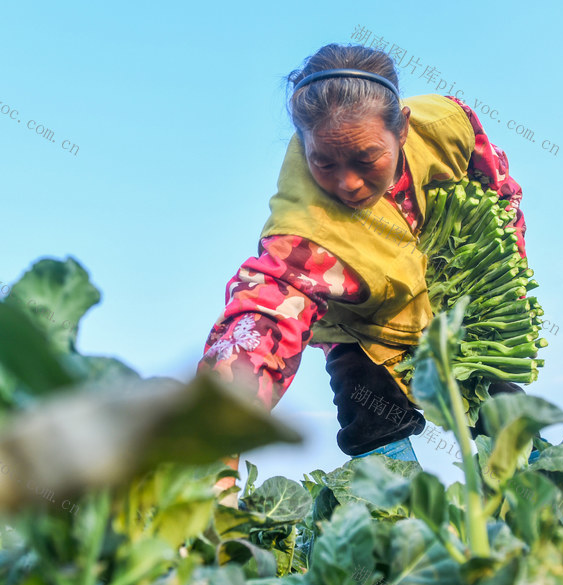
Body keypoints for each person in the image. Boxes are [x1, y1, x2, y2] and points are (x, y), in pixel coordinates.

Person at [198, 43, 528, 475]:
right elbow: (261, 324)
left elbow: (499, 195)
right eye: (324, 162)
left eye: (365, 158)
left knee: (504, 414)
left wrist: (495, 288)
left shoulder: (448, 126)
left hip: (449, 300)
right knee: (369, 413)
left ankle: (536, 517)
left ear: (403, 129)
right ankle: (395, 522)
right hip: (360, 326)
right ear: (304, 144)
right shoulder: (304, 230)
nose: (348, 183)